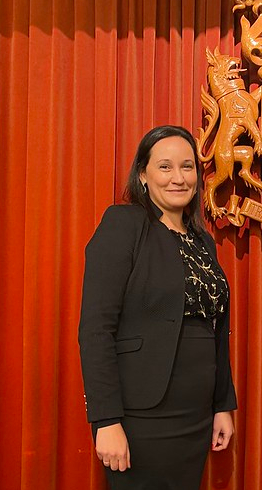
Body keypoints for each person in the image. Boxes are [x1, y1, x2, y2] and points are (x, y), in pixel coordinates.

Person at [79, 125, 236, 489]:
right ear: (142, 175)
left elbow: (216, 333)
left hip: (195, 412)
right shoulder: (124, 225)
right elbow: (96, 329)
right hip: (141, 415)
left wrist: (221, 404)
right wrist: (106, 421)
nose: (178, 178)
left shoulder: (203, 242)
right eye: (165, 167)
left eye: (187, 167)